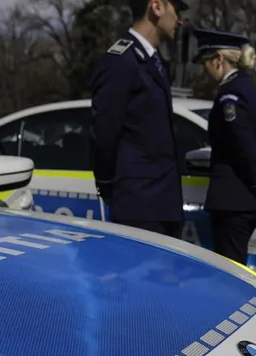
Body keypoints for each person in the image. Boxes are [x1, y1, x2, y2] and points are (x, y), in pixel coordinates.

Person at [89, 0, 190, 239]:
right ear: (156, 7)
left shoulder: (152, 60)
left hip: (163, 206)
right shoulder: (121, 61)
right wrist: (108, 186)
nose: (180, 19)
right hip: (139, 206)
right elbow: (104, 133)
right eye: (176, 9)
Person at [191, 28, 256, 266]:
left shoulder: (229, 95)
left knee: (231, 270)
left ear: (219, 59)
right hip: (247, 199)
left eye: (206, 62)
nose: (205, 70)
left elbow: (245, 147)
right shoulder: (249, 89)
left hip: (233, 200)